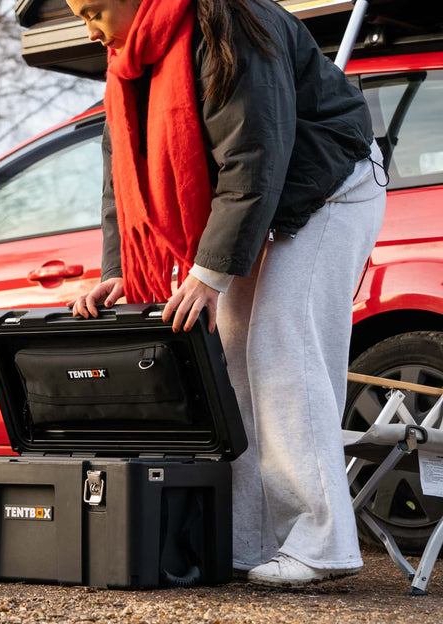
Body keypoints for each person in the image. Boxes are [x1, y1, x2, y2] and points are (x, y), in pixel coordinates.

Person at [66, 0, 386, 587]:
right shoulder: (128, 63)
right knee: (230, 363)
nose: (89, 30)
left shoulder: (231, 23)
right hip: (262, 207)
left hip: (329, 188)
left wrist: (208, 273)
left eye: (93, 11)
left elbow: (253, 155)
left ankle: (322, 542)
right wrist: (119, 266)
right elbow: (123, 176)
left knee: (282, 347)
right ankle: (248, 543)